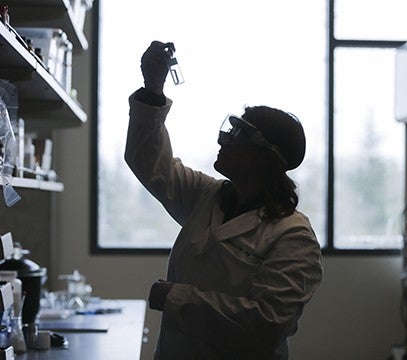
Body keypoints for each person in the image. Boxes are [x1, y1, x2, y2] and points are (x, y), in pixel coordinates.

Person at [124, 40, 323, 360]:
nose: (224, 140)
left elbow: (267, 323)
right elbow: (151, 166)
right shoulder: (209, 195)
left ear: (263, 157)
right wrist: (153, 87)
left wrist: (176, 297)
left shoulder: (293, 236)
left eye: (238, 135)